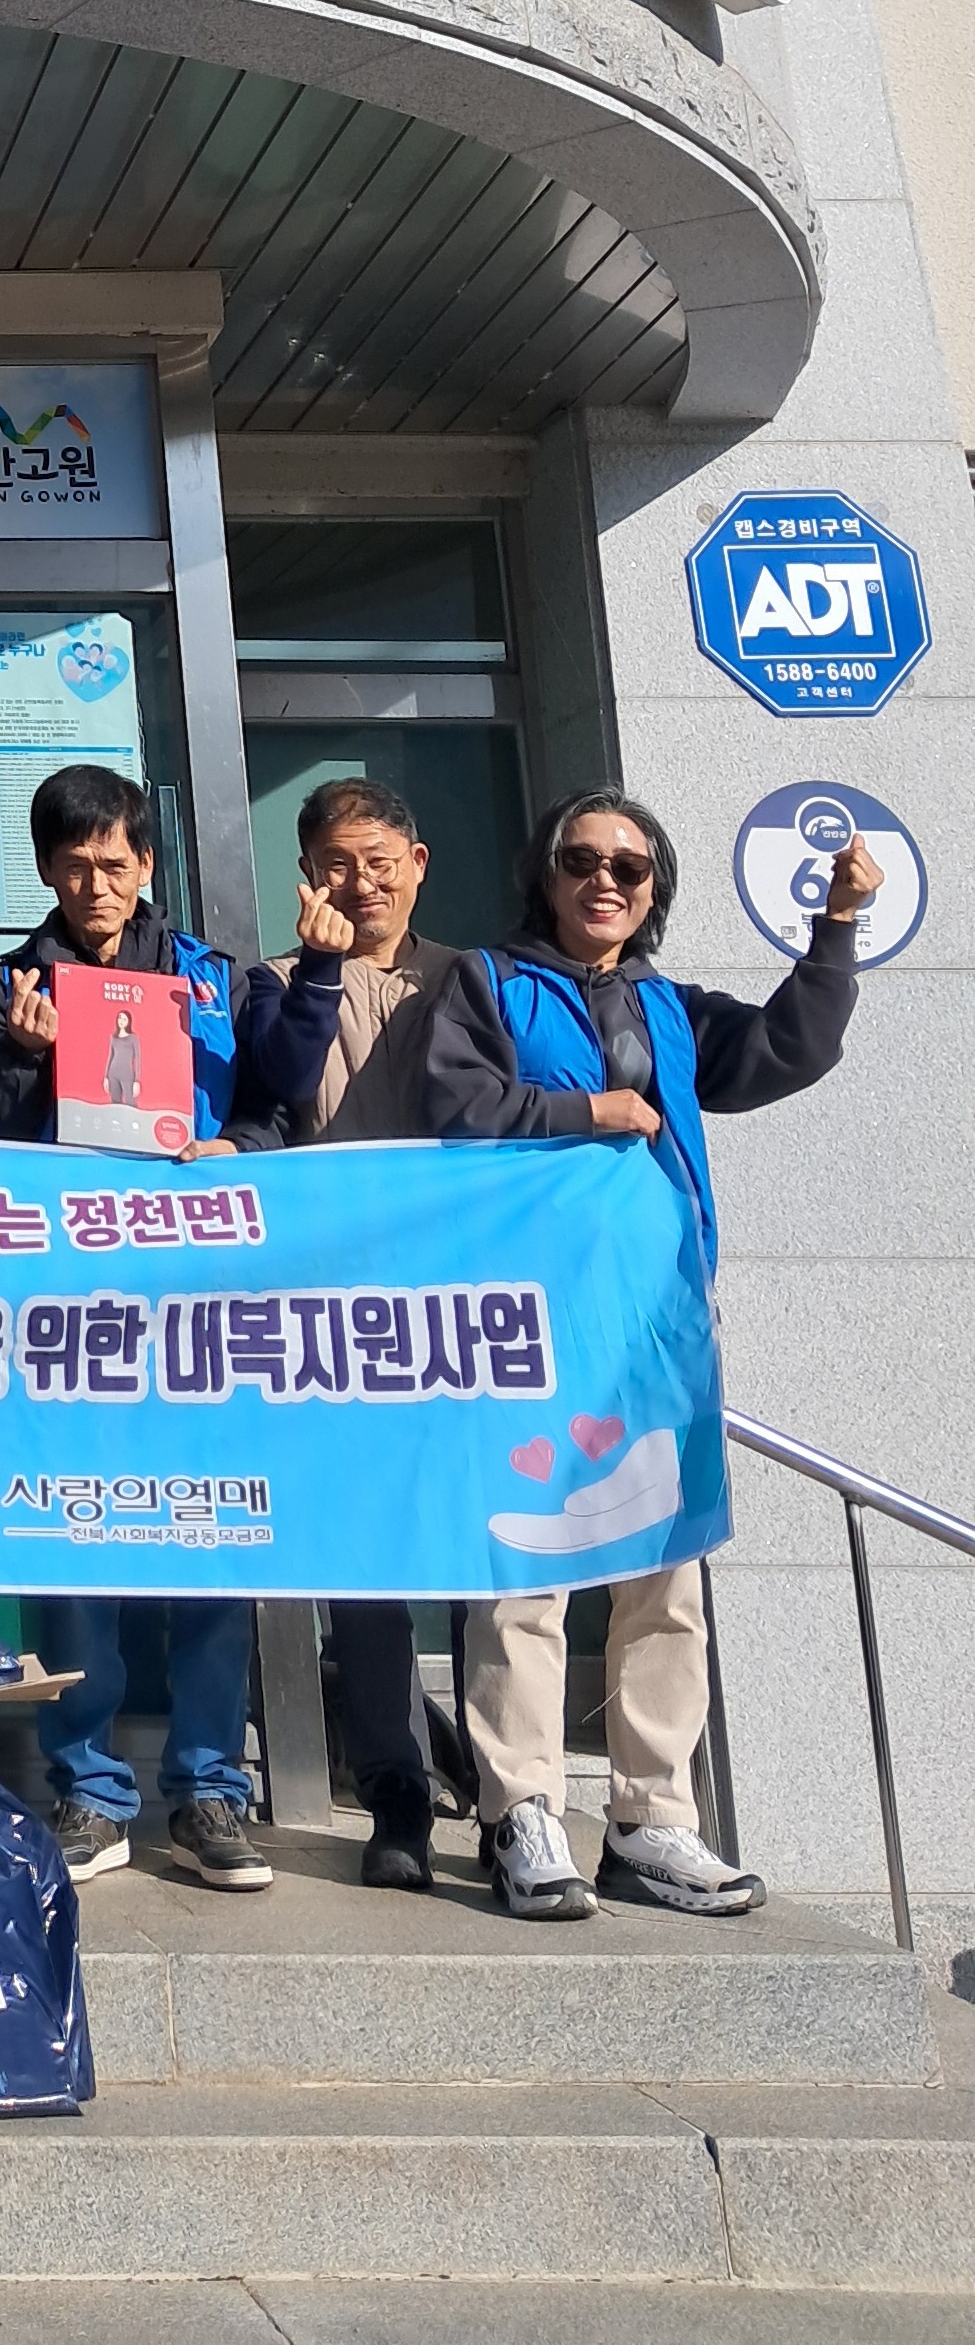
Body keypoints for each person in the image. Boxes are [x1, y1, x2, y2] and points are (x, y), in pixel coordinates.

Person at [412, 786, 875, 1920]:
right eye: (582, 859)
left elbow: (788, 1048)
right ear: (546, 875)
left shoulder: (668, 1003)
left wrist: (835, 931)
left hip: (659, 1320)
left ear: (653, 889)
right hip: (529, 1318)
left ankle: (650, 1817)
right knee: (525, 1564)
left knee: (666, 1570)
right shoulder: (488, 981)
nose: (605, 880)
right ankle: (521, 1810)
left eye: (629, 866)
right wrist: (590, 1113)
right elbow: (454, 1104)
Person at [0, 762, 352, 1897]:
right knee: (70, 1536)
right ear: (46, 870)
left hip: (201, 1304)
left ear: (147, 862)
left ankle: (209, 1789)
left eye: (114, 862)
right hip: (67, 1308)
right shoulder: (5, 985)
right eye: (74, 865)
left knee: (211, 1534)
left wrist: (243, 1140)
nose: (96, 884)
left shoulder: (211, 976)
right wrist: (22, 1063)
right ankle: (88, 1787)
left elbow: (277, 1096)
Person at [261, 774, 469, 1892]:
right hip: (334, 1320)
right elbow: (269, 1096)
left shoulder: (479, 981)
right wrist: (321, 970)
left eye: (380, 862)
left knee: (488, 1553)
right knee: (367, 1562)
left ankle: (508, 1788)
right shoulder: (275, 981)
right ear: (307, 874)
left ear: (418, 864)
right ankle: (397, 1790)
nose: (361, 883)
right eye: (337, 864)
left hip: (466, 1311)